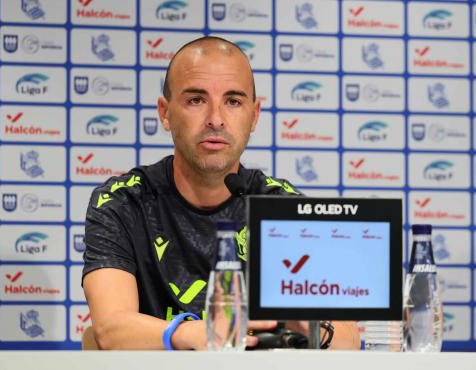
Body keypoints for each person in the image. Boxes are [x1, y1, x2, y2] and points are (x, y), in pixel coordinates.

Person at [82, 36, 360, 350]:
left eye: (233, 101)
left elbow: (348, 340)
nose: (215, 119)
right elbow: (110, 329)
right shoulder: (124, 202)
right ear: (165, 112)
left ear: (254, 115)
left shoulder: (282, 208)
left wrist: (309, 324)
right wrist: (198, 334)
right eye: (196, 100)